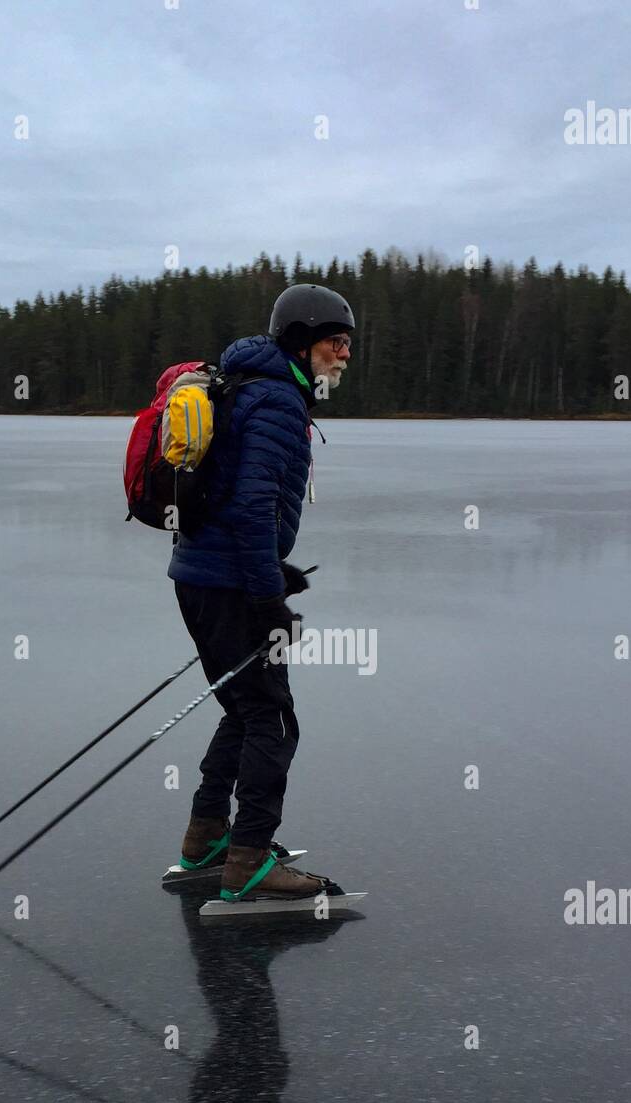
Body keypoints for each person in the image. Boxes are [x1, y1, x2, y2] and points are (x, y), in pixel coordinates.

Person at [169, 283, 354, 902]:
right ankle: (248, 861)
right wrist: (266, 598)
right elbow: (251, 507)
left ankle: (206, 841)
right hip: (227, 583)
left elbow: (236, 505)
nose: (344, 355)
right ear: (302, 341)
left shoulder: (248, 387)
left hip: (199, 574)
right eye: (336, 342)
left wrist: (274, 570)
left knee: (242, 710)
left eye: (348, 344)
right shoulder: (276, 401)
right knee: (272, 718)